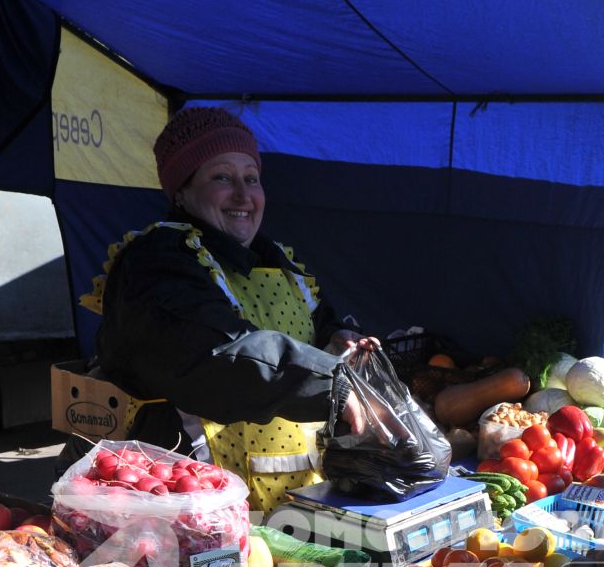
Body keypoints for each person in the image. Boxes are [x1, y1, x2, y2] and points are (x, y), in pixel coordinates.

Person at [80, 107, 380, 509]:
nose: (243, 195)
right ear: (181, 192)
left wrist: (334, 337)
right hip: (194, 496)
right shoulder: (156, 261)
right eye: (221, 177)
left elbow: (312, 323)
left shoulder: (278, 261)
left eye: (251, 178)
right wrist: (333, 386)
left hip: (293, 493)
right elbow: (218, 355)